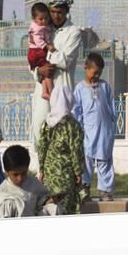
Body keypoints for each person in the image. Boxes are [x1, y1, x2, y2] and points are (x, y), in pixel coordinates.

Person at [30, 0, 82, 147]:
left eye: (59, 12)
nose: (55, 16)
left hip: (61, 90)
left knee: (61, 136)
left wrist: (46, 53)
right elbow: (31, 62)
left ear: (66, 12)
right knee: (39, 130)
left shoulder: (73, 32)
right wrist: (40, 71)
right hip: (42, 89)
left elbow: (65, 61)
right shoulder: (43, 28)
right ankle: (41, 170)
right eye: (52, 12)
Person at [72, 52, 117, 202]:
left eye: (99, 73)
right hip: (88, 134)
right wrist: (79, 130)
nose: (97, 75)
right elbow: (76, 111)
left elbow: (111, 109)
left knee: (105, 161)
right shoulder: (80, 88)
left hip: (105, 133)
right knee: (87, 162)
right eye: (95, 72)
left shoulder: (105, 87)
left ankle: (105, 191)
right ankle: (85, 189)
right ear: (86, 68)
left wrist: (111, 126)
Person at [38, 85, 85, 215]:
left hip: (50, 172)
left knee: (50, 207)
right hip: (66, 173)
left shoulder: (46, 123)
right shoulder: (72, 125)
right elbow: (75, 150)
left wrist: (41, 170)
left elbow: (42, 148)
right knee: (66, 207)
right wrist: (78, 171)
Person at [0, 145, 65, 218]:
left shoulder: (32, 182)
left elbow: (40, 200)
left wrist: (50, 200)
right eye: (15, 175)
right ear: (7, 172)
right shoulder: (2, 194)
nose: (20, 178)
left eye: (24, 173)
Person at [27, 2, 56, 100]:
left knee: (44, 75)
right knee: (48, 73)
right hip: (37, 53)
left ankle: (45, 92)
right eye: (41, 19)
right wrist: (47, 46)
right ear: (34, 19)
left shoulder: (40, 25)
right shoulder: (37, 28)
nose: (44, 21)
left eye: (46, 18)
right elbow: (38, 40)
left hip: (34, 53)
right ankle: (51, 93)